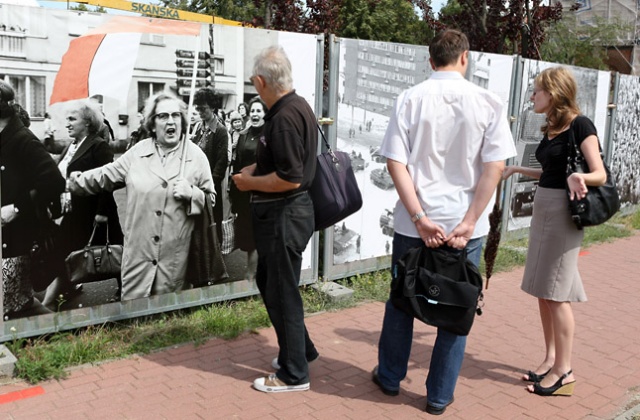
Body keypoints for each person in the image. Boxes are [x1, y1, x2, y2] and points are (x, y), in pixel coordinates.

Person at [372, 29, 516, 415]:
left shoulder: (410, 99)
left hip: (413, 224)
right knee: (457, 308)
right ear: (465, 57)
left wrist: (419, 216)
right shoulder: (488, 101)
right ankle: (437, 396)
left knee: (403, 300)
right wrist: (471, 220)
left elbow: (395, 162)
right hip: (463, 229)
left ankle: (389, 378)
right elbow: (495, 167)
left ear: (430, 60)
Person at [502, 66, 606, 397]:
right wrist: (517, 169)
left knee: (557, 294)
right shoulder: (551, 127)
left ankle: (566, 371)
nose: (532, 96)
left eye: (536, 91)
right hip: (544, 209)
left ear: (554, 93)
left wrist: (581, 178)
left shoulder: (580, 125)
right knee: (544, 290)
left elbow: (599, 173)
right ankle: (550, 359)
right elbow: (551, 172)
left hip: (563, 214)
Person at [68, 93, 215, 300]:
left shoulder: (196, 157)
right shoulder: (138, 153)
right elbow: (106, 174)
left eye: (176, 115)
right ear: (152, 124)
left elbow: (212, 200)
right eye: (163, 116)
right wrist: (77, 181)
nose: (171, 120)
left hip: (175, 262)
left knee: (168, 322)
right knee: (135, 321)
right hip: (137, 258)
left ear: (183, 121)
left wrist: (193, 194)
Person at [232, 46, 318, 393]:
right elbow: (286, 166)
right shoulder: (295, 107)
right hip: (289, 213)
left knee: (281, 291)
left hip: (285, 214)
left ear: (260, 81)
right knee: (274, 283)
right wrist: (258, 169)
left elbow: (291, 177)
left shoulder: (282, 118)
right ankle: (300, 352)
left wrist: (250, 182)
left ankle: (293, 374)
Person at [42, 99, 124, 309]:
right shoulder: (72, 145)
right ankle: (61, 292)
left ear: (87, 122)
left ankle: (126, 289)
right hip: (75, 212)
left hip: (95, 211)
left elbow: (109, 180)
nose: (67, 123)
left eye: (72, 119)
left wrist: (102, 213)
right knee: (69, 253)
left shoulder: (98, 145)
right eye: (66, 119)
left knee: (113, 253)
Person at [1, 80, 62, 318]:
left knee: (16, 304)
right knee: (15, 304)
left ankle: (59, 336)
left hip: (16, 239)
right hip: (6, 237)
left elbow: (54, 181)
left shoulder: (22, 139)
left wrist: (16, 208)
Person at [229, 97, 268, 280]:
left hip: (262, 193)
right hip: (245, 194)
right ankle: (254, 272)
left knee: (259, 234)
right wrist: (234, 193)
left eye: (258, 111)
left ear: (265, 114)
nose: (254, 114)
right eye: (252, 111)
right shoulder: (243, 135)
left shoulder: (269, 136)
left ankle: (251, 275)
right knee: (248, 233)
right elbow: (237, 164)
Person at [192, 88, 229, 243]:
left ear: (213, 107)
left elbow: (222, 162)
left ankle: (214, 259)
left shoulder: (220, 131)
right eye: (198, 108)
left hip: (210, 187)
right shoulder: (198, 128)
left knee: (212, 224)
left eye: (203, 109)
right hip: (196, 184)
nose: (200, 112)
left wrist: (209, 186)